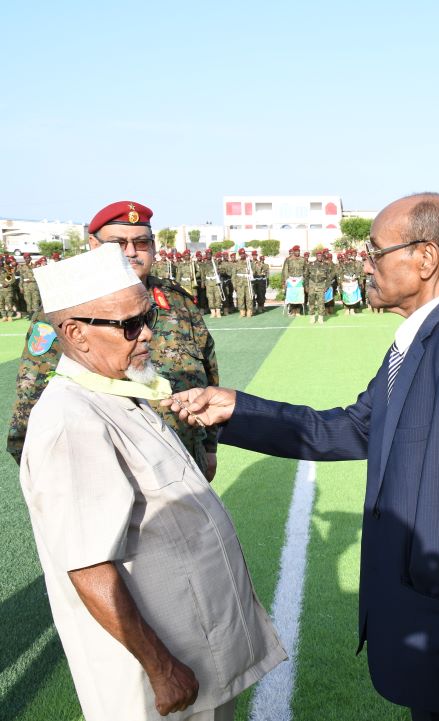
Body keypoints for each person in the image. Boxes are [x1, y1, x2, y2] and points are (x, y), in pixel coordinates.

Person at [164, 193, 439, 721]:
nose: (365, 263)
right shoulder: (420, 339)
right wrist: (237, 410)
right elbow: (354, 427)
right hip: (435, 622)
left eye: (376, 251)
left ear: (425, 258)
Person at [19, 243, 285, 721]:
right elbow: (87, 566)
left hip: (196, 650)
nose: (146, 336)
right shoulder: (70, 420)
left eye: (148, 319)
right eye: (129, 326)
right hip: (162, 677)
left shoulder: (123, 389)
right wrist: (160, 668)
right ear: (76, 334)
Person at [8, 201, 221, 481]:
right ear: (94, 246)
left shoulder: (178, 301)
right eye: (118, 243)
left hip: (186, 461)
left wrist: (209, 447)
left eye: (141, 242)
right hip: (116, 476)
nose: (131, 252)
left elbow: (208, 374)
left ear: (154, 246)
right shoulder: (68, 312)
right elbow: (30, 407)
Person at [282, 245, 306, 316]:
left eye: (298, 251)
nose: (297, 252)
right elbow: (285, 270)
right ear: (293, 251)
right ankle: (292, 311)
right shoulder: (289, 259)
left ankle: (298, 311)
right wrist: (286, 280)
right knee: (291, 295)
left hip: (300, 280)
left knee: (299, 295)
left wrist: (303, 277)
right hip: (291, 280)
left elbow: (306, 269)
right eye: (296, 251)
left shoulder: (302, 259)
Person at [234, 248, 256, 317]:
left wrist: (250, 273)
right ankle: (242, 311)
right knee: (240, 298)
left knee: (249, 297)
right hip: (240, 283)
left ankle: (249, 311)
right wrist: (234, 285)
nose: (242, 255)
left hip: (248, 282)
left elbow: (254, 271)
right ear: (239, 254)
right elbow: (233, 275)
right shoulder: (237, 263)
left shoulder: (249, 262)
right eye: (241, 254)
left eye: (243, 253)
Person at [0, 257, 18, 321]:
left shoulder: (8, 269)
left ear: (3, 261)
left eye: (1, 261)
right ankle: (4, 316)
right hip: (0, 290)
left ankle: (10, 316)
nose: (0, 262)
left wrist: (7, 283)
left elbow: (12, 278)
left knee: (9, 302)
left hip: (8, 290)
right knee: (1, 304)